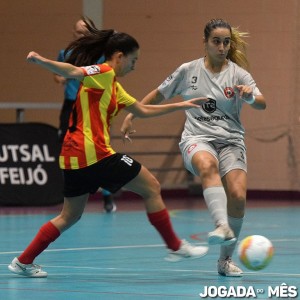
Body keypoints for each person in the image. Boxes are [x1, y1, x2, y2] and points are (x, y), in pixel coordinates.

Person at [8, 29, 209, 277]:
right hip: (93, 153)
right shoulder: (103, 72)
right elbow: (73, 72)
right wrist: (40, 60)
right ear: (119, 56)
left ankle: (23, 261)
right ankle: (175, 246)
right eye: (133, 60)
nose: (134, 67)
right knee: (152, 186)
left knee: (69, 216)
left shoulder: (113, 86)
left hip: (73, 157)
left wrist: (183, 105)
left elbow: (142, 110)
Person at [121, 19, 266, 277]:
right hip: (196, 139)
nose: (222, 47)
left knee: (238, 197)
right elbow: (158, 93)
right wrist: (133, 114)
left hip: (231, 141)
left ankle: (225, 261)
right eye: (216, 41)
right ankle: (221, 225)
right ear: (205, 43)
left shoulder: (238, 74)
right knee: (207, 165)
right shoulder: (188, 71)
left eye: (226, 42)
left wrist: (249, 96)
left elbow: (261, 103)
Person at [53, 18, 116, 213]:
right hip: (70, 105)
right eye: (78, 32)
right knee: (67, 147)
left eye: (85, 32)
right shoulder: (65, 54)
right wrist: (64, 75)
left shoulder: (99, 56)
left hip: (91, 106)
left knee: (100, 149)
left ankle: (107, 195)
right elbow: (57, 77)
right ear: (73, 33)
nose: (81, 36)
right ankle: (70, 196)